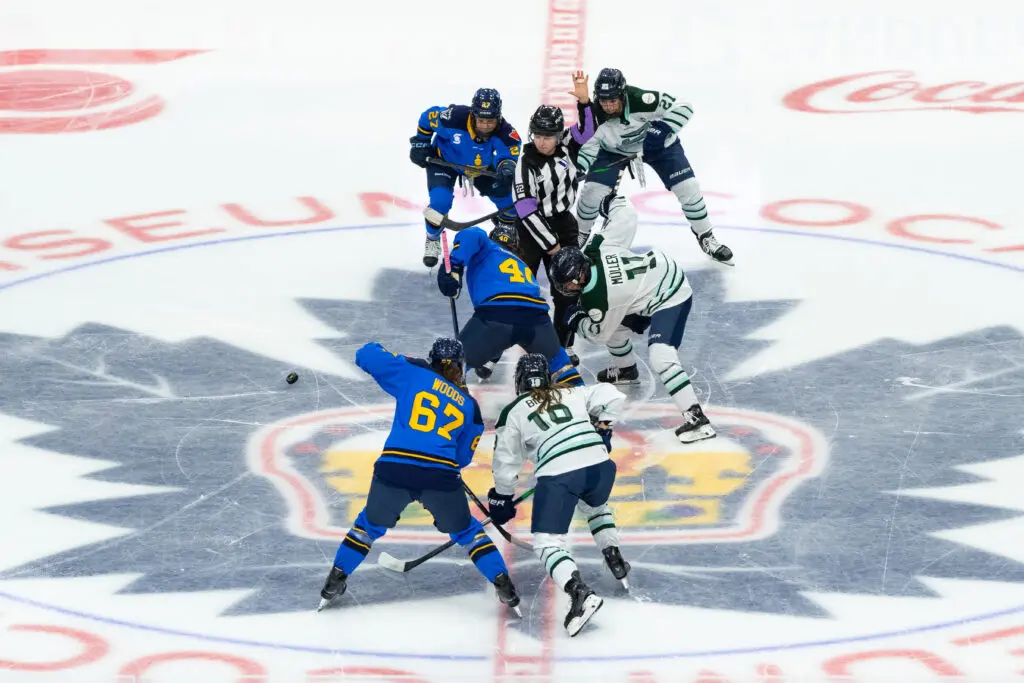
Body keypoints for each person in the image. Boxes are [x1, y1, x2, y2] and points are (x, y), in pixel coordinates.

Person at [317, 337, 521, 615]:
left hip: (394, 468)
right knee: (467, 531)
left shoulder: (414, 373)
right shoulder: (470, 407)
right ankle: (502, 581)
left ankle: (336, 578)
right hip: (440, 475)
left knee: (367, 527)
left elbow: (366, 354)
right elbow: (461, 459)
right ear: (461, 367)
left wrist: (407, 362)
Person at [550, 195, 717, 444]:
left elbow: (598, 334)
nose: (565, 288)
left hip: (669, 294)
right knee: (617, 327)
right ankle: (627, 369)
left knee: (661, 356)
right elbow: (626, 214)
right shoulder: (597, 247)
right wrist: (609, 200)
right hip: (652, 278)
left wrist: (577, 320)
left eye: (567, 283)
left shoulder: (602, 298)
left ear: (579, 277)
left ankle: (697, 419)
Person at [487, 353, 630, 637]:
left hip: (560, 473)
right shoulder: (571, 391)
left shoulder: (513, 411)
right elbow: (612, 394)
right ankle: (612, 555)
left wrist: (501, 497)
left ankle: (579, 593)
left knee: (546, 542)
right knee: (596, 506)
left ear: (519, 381)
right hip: (600, 465)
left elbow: (506, 462)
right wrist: (603, 427)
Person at [575, 68, 733, 265]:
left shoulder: (641, 99)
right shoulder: (595, 114)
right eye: (603, 100)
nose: (608, 106)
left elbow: (684, 107)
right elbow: (589, 145)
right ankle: (579, 234)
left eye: (613, 100)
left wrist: (662, 129)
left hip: (658, 146)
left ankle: (706, 236)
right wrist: (580, 167)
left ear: (623, 94)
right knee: (591, 192)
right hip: (612, 151)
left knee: (688, 186)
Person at [512, 70, 597, 362]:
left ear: (557, 134)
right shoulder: (525, 163)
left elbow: (587, 132)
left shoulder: (567, 146)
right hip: (532, 231)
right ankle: (503, 346)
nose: (542, 141)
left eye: (547, 136)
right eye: (537, 135)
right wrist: (552, 246)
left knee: (570, 287)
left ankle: (564, 344)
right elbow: (525, 209)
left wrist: (585, 102)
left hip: (564, 223)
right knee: (521, 287)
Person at [437, 222, 582, 388]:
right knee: (562, 367)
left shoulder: (487, 246)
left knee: (449, 369)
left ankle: (441, 404)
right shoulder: (521, 264)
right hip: (536, 320)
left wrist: (454, 266)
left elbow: (472, 234)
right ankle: (582, 401)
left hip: (497, 317)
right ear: (515, 245)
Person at [410, 88, 522, 268]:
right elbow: (427, 117)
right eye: (481, 120)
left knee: (509, 197)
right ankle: (432, 238)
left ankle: (506, 227)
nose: (485, 126)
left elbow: (510, 151)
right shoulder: (452, 117)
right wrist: (420, 143)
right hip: (443, 160)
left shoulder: (505, 131)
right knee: (440, 202)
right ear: (473, 114)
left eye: (490, 121)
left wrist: (506, 168)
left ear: (499, 117)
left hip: (480, 167)